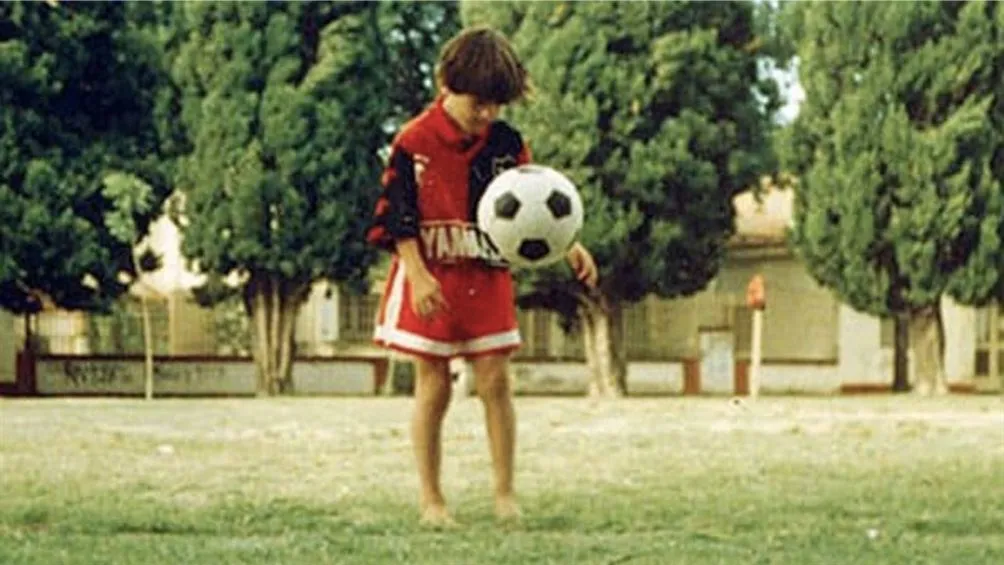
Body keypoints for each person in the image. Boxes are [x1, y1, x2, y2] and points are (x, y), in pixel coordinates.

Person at [366, 26, 598, 527]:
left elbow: (536, 208)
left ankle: (505, 493)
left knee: (495, 380)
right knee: (435, 386)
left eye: (497, 105)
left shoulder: (506, 144)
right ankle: (432, 500)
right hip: (430, 275)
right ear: (446, 85)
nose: (487, 114)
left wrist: (569, 244)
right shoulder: (413, 141)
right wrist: (417, 272)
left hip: (485, 276)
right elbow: (395, 214)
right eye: (478, 104)